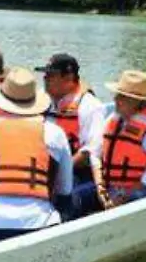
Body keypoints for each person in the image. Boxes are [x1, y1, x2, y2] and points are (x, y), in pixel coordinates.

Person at [0, 67, 73, 248]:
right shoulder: (55, 134)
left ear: (1, 101)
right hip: (41, 227)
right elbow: (65, 190)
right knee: (73, 202)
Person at [76, 70, 146, 217]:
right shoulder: (114, 118)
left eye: (122, 97)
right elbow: (95, 153)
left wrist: (122, 197)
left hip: (142, 191)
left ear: (139, 102)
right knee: (74, 198)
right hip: (109, 185)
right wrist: (100, 187)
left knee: (128, 204)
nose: (115, 99)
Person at [39, 53, 105, 181]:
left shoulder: (90, 106)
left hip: (77, 174)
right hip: (43, 168)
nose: (45, 79)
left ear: (69, 78)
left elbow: (91, 152)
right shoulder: (40, 100)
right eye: (45, 75)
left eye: (51, 75)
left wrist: (60, 172)